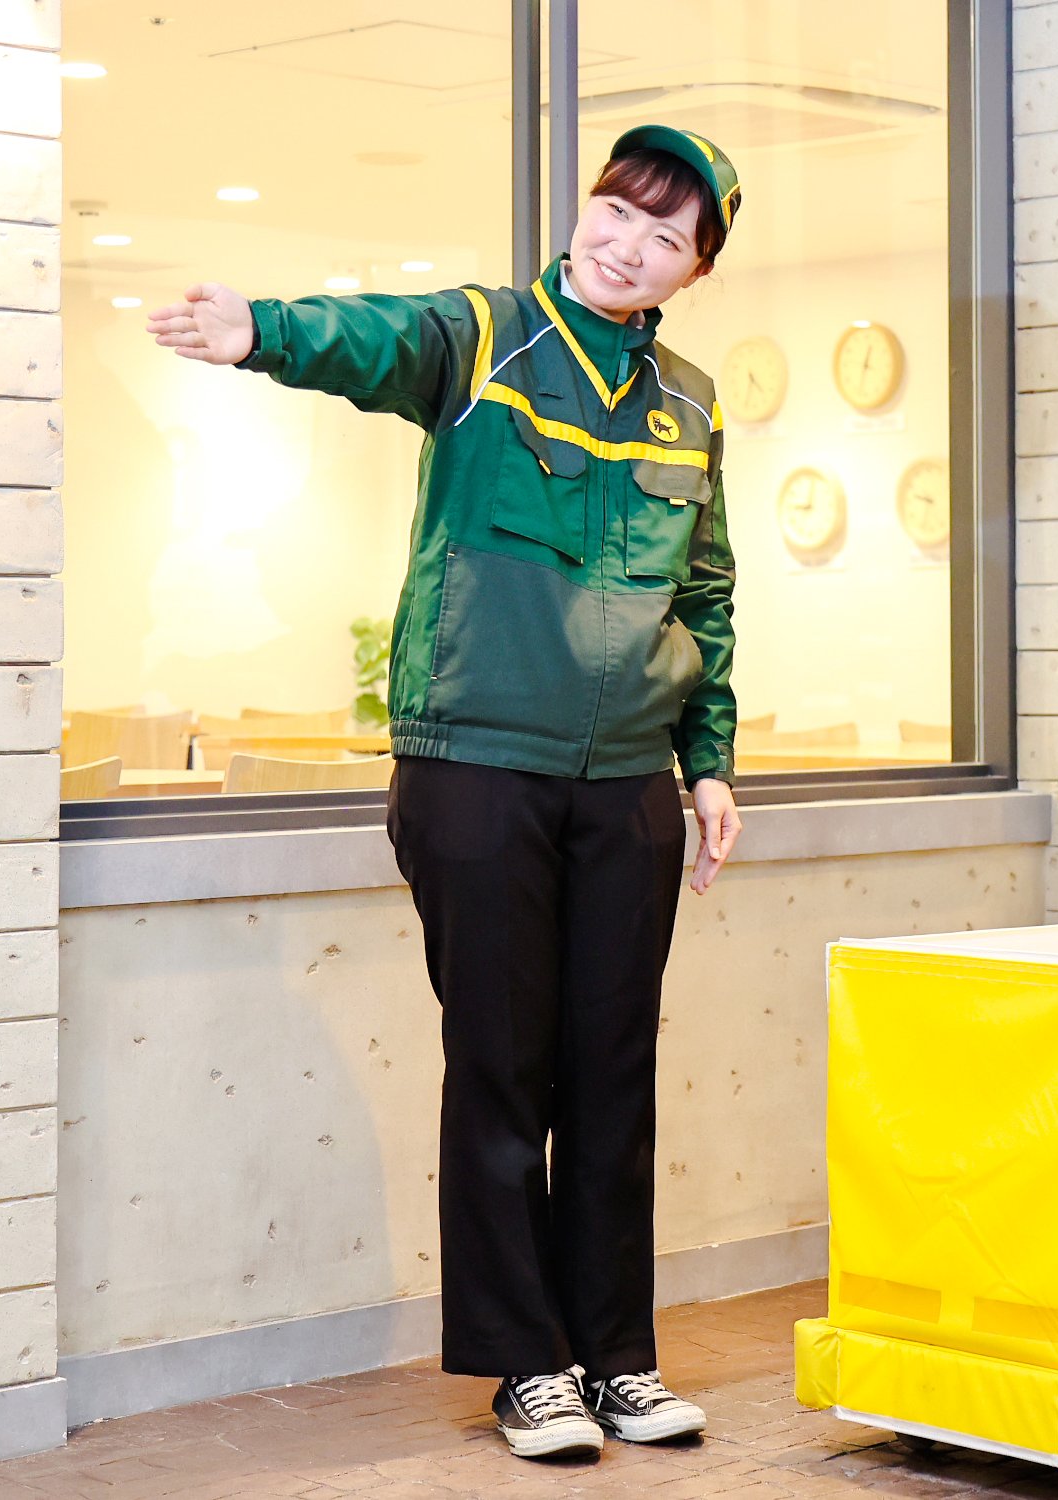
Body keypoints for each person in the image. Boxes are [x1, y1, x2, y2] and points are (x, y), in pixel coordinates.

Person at [144, 125, 747, 1457]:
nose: (628, 243)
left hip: (626, 787)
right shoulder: (485, 337)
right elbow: (370, 337)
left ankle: (619, 1358)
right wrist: (261, 329)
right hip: (476, 767)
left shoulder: (691, 404)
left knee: (614, 1073)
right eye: (617, 211)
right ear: (584, 211)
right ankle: (524, 1365)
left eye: (665, 236)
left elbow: (706, 592)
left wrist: (710, 764)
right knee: (501, 1070)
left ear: (693, 271)